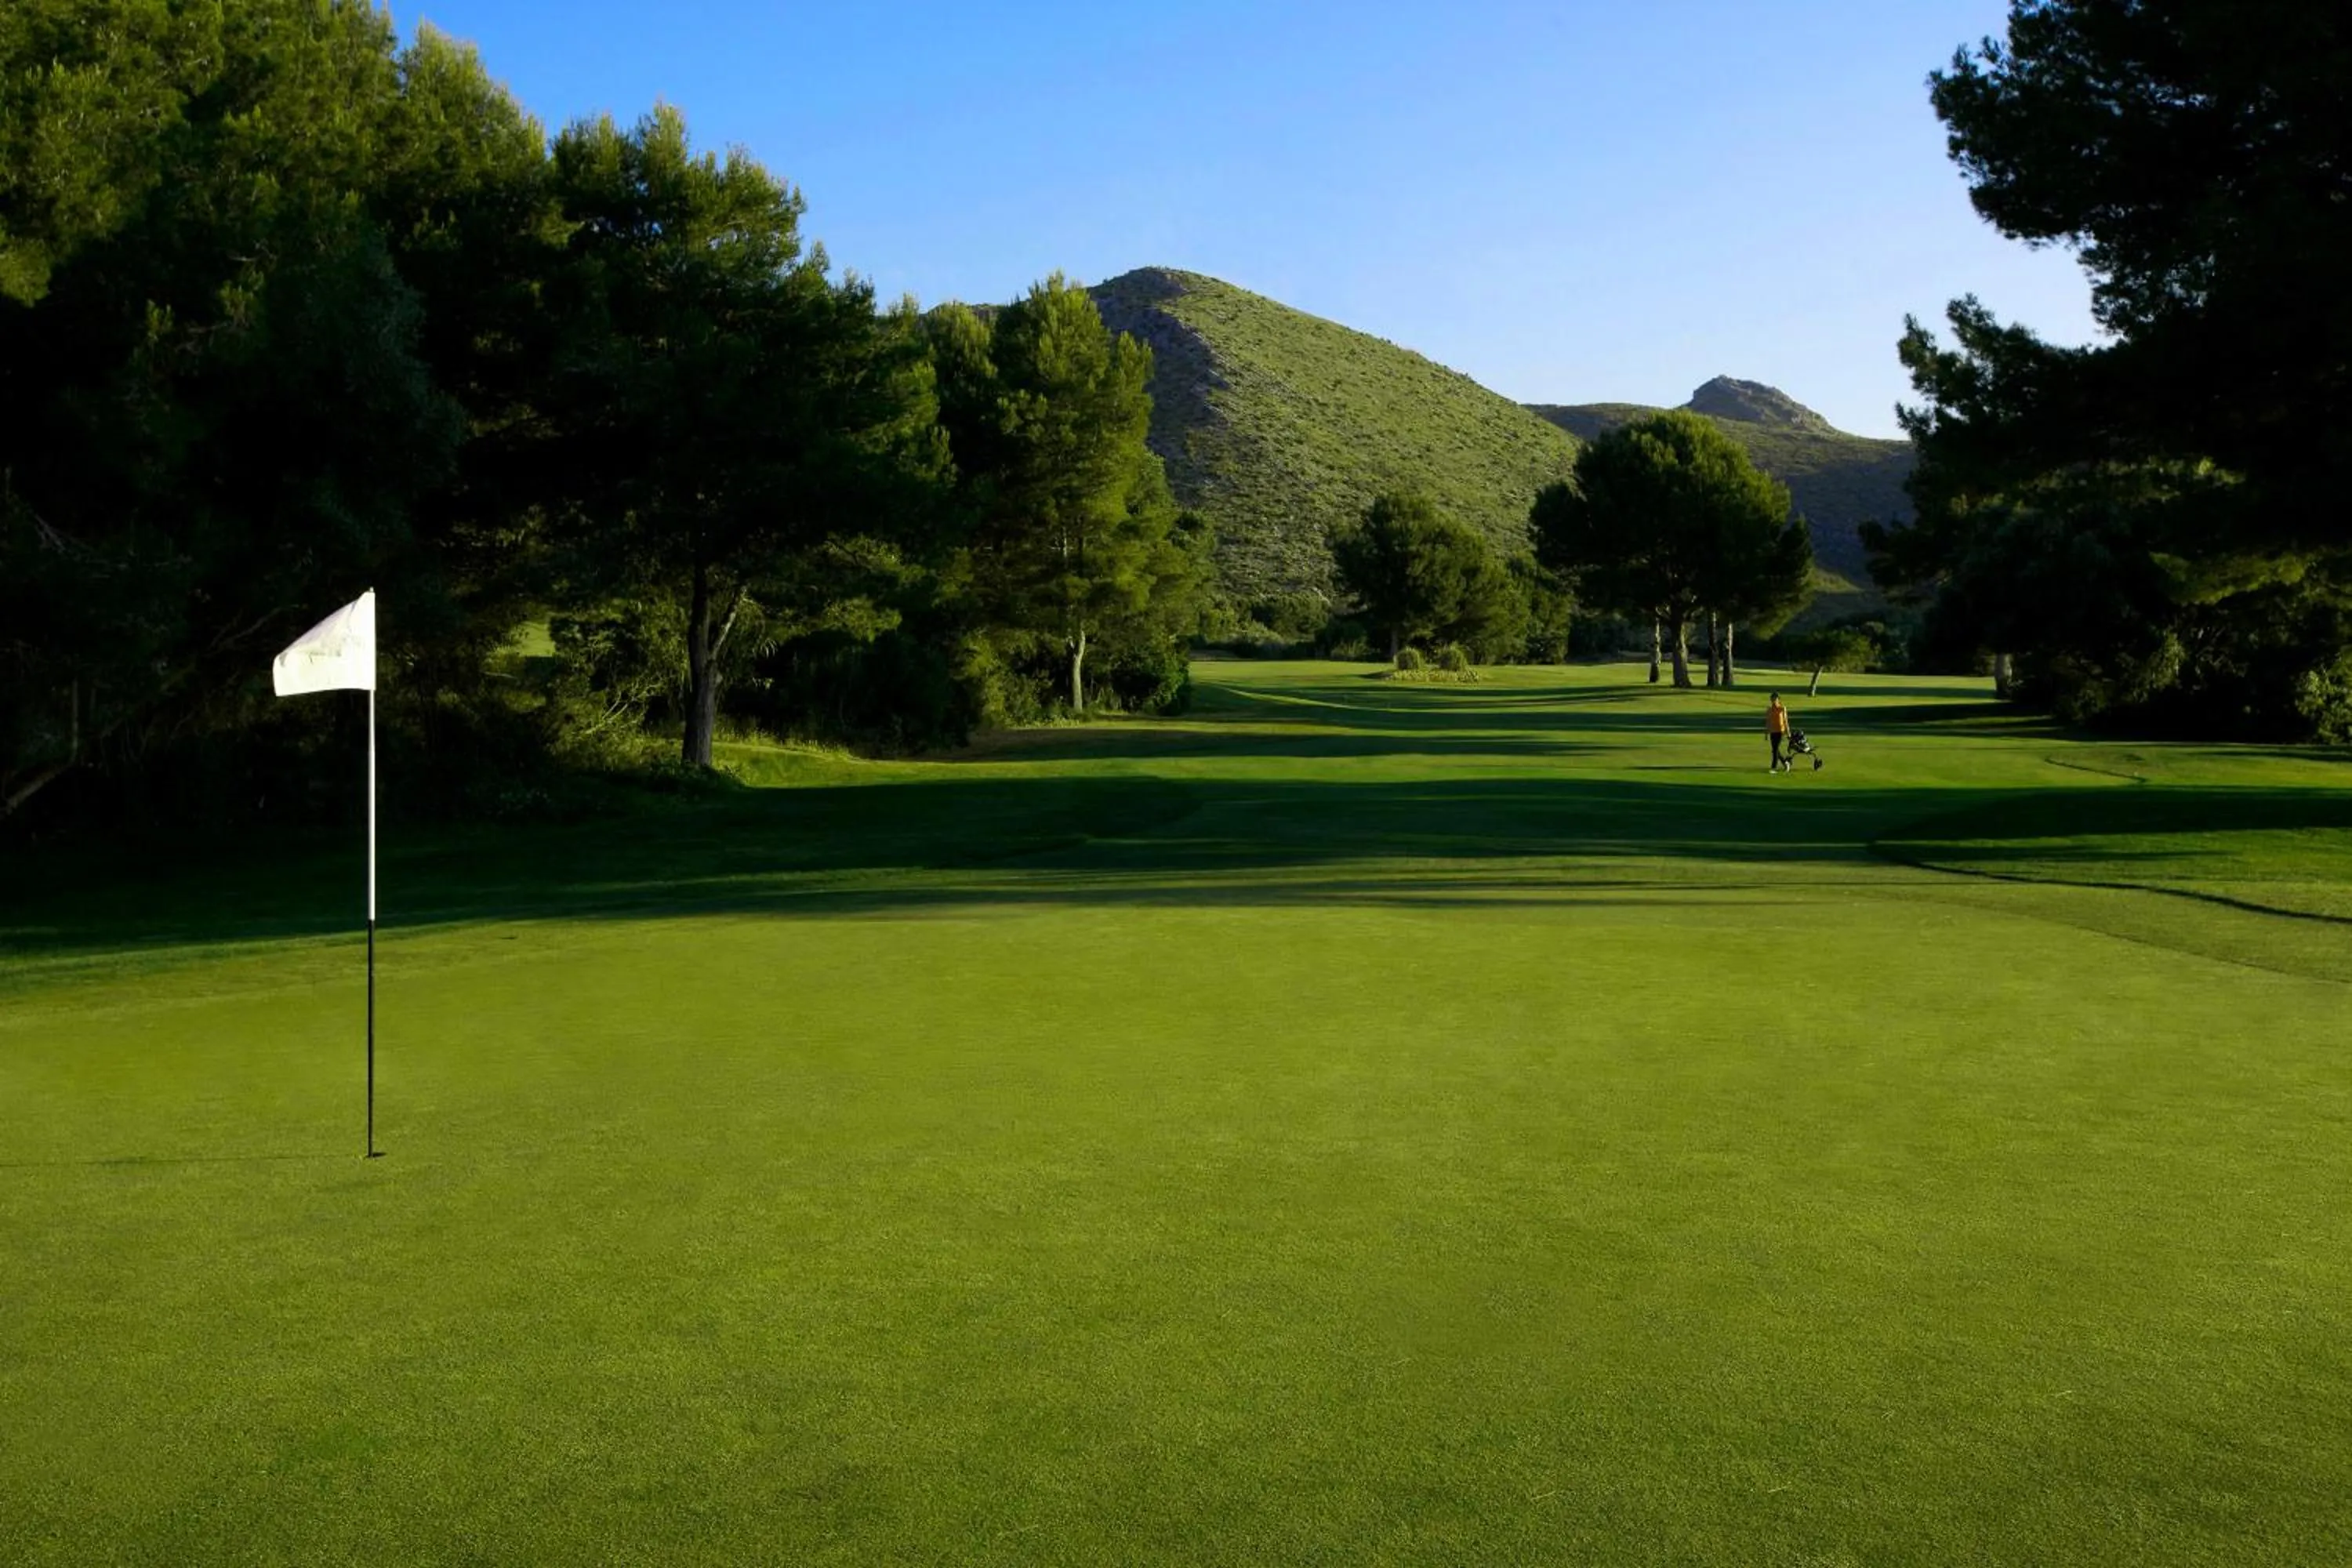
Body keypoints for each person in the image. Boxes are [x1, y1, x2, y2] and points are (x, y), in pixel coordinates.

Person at [1766, 691, 1791, 772]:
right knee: (1775, 750)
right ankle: (1786, 763)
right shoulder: (1769, 709)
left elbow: (1785, 721)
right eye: (1772, 699)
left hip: (1780, 731)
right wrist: (1766, 733)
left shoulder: (1782, 709)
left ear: (1778, 700)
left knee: (1775, 749)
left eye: (1775, 699)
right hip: (1773, 732)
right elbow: (1768, 722)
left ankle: (1774, 768)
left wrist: (1788, 732)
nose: (1773, 700)